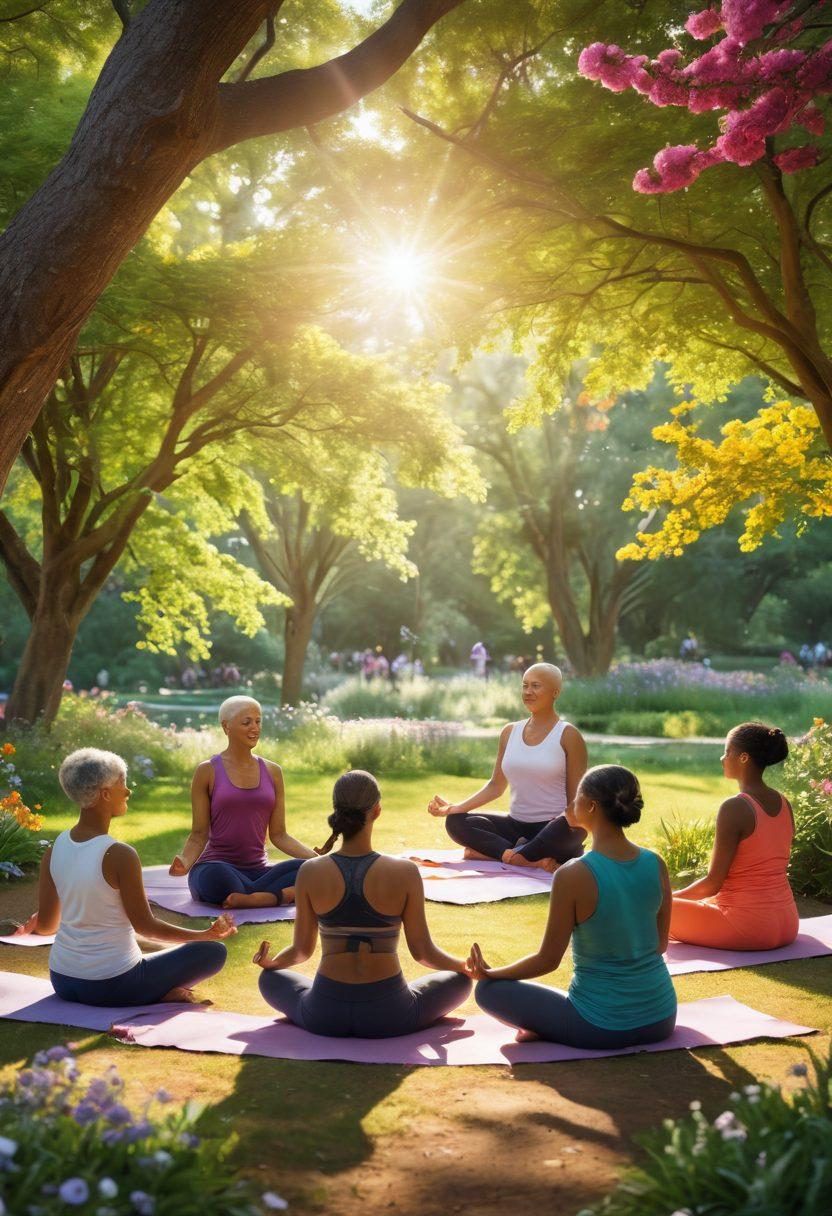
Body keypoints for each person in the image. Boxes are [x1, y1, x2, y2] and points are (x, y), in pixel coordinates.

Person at [467, 765, 677, 1048]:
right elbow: (660, 945)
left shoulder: (573, 873)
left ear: (590, 807)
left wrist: (491, 974)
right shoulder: (655, 863)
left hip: (599, 1026)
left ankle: (547, 1027)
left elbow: (547, 961)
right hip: (661, 1017)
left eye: (576, 797)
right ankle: (547, 1025)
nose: (571, 804)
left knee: (488, 992)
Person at [254, 770, 471, 1038]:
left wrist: (272, 963)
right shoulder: (405, 872)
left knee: (269, 979)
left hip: (324, 1013)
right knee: (460, 981)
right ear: (377, 811)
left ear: (336, 811)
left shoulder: (310, 871)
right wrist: (465, 966)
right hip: (390, 1014)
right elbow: (423, 953)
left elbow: (301, 951)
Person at [20, 748, 235, 1007]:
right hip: (113, 985)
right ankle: (157, 993)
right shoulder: (120, 854)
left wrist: (36, 920)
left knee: (150, 951)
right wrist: (206, 935)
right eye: (122, 783)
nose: (128, 791)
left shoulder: (54, 849)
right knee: (212, 953)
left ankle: (156, 991)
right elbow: (147, 927)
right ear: (105, 794)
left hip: (63, 980)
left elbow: (46, 926)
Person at [427, 664, 587, 870]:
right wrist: (454, 808)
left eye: (536, 686)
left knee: (567, 831)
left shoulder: (568, 735)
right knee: (455, 822)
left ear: (555, 692)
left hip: (553, 827)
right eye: (525, 685)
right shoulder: (509, 732)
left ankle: (496, 853)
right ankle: (521, 857)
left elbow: (577, 802)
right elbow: (495, 786)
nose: (528, 692)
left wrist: (559, 828)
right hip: (515, 825)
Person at [170, 696, 316, 909]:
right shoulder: (207, 771)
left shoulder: (273, 772)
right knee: (218, 877)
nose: (255, 728)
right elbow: (199, 834)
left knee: (308, 869)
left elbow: (279, 835)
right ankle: (280, 895)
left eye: (258, 721)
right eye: (247, 722)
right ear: (225, 726)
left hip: (258, 870)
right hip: (218, 867)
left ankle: (250, 897)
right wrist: (184, 862)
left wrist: (317, 859)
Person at [670, 722, 798, 950]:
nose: (722, 758)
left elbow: (712, 884)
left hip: (749, 927)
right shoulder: (784, 803)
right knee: (689, 904)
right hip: (788, 922)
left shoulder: (735, 807)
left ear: (744, 758)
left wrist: (669, 897)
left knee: (647, 908)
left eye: (728, 751)